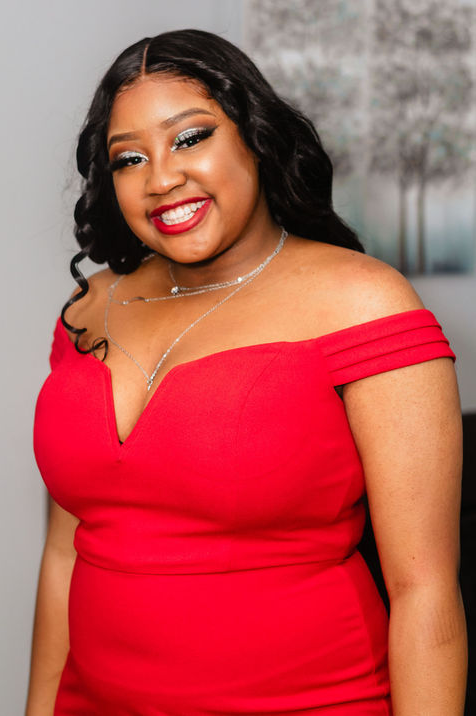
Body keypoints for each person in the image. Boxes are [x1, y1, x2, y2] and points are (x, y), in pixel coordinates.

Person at [26, 28, 467, 715]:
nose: (160, 178)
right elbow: (63, 556)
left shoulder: (362, 302)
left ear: (256, 137)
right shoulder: (89, 309)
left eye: (190, 138)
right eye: (129, 158)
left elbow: (425, 592)